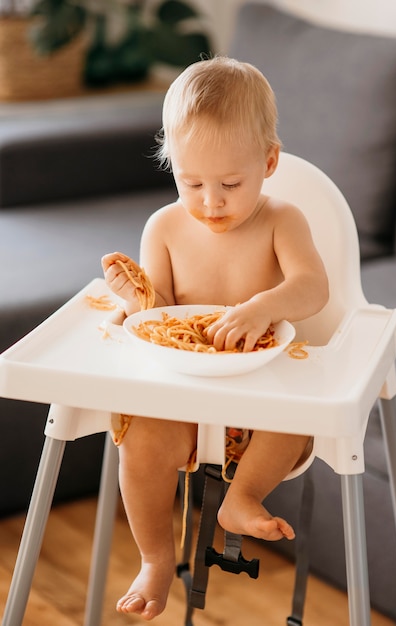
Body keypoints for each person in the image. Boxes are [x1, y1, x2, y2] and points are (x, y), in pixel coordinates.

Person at [101, 56, 329, 621]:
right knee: (139, 441)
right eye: (190, 182)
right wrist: (134, 301)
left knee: (297, 411)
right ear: (171, 165)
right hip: (187, 392)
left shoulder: (283, 221)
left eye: (230, 183)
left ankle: (243, 497)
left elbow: (313, 287)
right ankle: (155, 558)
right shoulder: (166, 227)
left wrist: (264, 306)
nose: (210, 202)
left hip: (263, 388)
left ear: (269, 162)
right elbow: (158, 317)